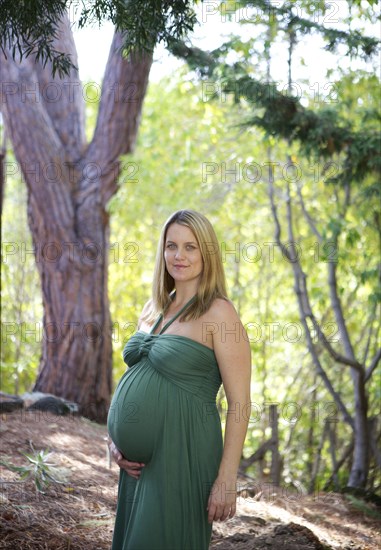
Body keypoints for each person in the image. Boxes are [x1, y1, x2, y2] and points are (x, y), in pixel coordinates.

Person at [107, 209, 251, 550]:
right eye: (172, 246)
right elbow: (134, 377)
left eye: (191, 247)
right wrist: (115, 442)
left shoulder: (220, 313)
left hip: (184, 450)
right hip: (137, 467)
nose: (179, 256)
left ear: (207, 254)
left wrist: (227, 478)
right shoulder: (153, 308)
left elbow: (240, 403)